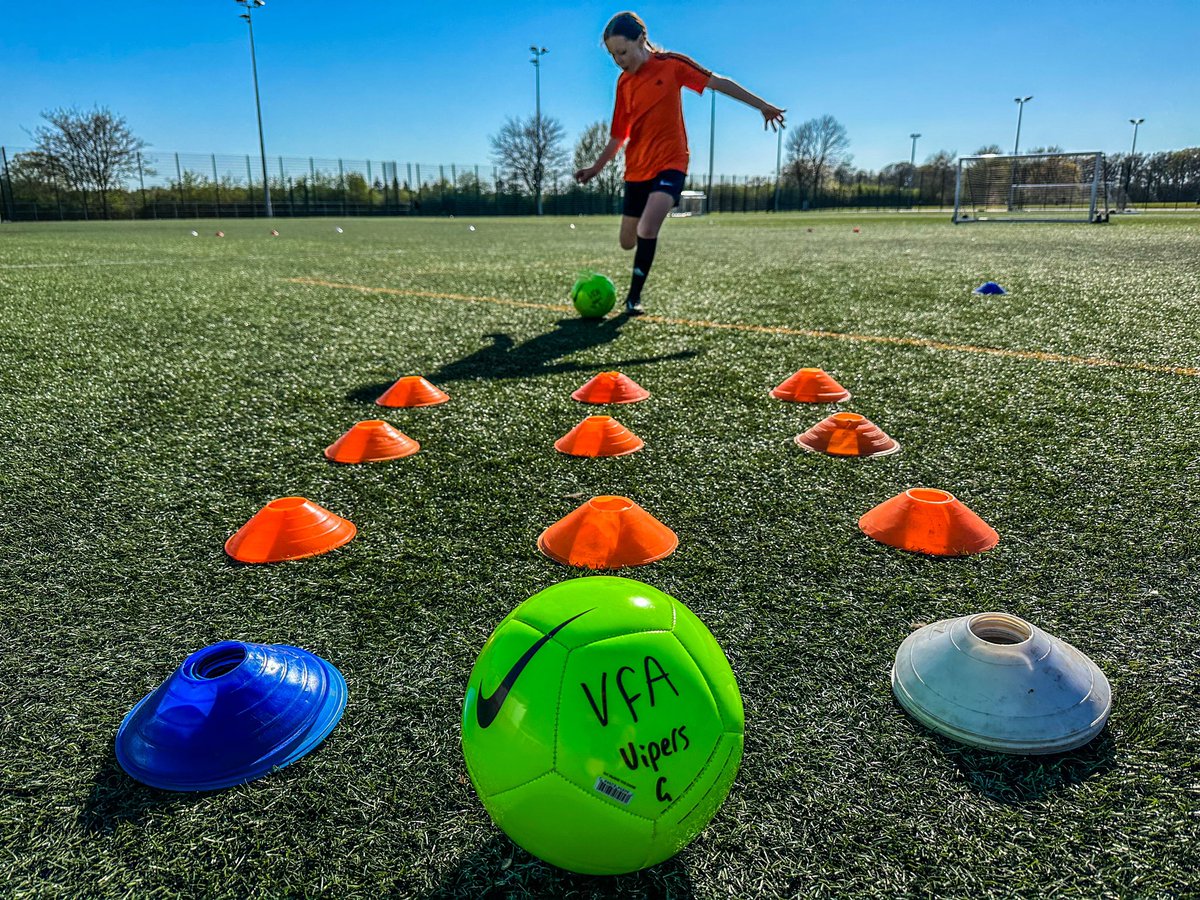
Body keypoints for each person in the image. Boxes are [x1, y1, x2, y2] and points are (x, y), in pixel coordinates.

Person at [574, 11, 785, 315]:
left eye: (622, 51)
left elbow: (718, 83)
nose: (618, 60)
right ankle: (634, 284)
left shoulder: (672, 65)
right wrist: (595, 168)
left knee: (649, 226)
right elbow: (618, 135)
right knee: (626, 241)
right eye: (612, 55)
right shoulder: (623, 84)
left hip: (671, 162)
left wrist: (762, 106)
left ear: (641, 40)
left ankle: (633, 298)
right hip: (636, 169)